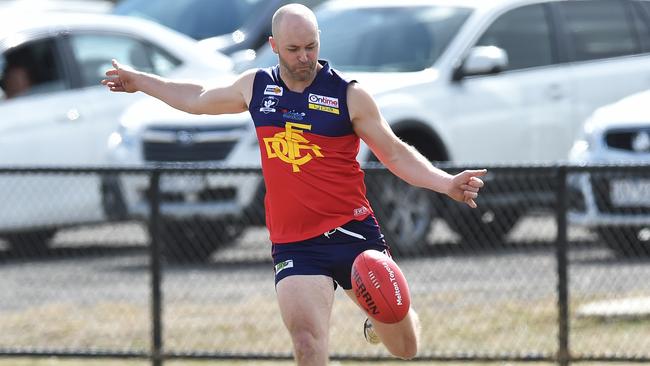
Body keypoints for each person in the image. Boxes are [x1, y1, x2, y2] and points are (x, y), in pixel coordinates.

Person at [102, 3, 487, 364]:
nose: (304, 57)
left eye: (311, 46)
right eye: (293, 49)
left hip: (352, 234)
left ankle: (386, 315)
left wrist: (446, 183)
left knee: (405, 348)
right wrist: (141, 82)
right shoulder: (257, 88)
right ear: (273, 46)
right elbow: (198, 97)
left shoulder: (348, 96)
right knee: (306, 342)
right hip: (296, 244)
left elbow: (396, 153)